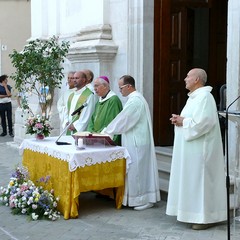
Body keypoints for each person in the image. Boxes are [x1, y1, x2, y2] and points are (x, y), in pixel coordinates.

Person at [166, 68, 227, 230]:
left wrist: (183, 121)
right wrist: (179, 120)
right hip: (191, 150)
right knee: (192, 183)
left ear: (197, 79)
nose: (185, 79)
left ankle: (205, 218)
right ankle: (193, 214)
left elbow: (205, 122)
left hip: (201, 151)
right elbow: (192, 119)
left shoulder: (205, 97)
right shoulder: (194, 97)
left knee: (201, 184)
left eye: (188, 76)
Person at [102, 75, 160, 210]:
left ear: (129, 86)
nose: (120, 90)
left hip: (137, 142)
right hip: (135, 140)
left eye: (121, 87)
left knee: (137, 172)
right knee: (136, 171)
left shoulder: (135, 101)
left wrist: (107, 131)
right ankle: (138, 198)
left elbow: (124, 120)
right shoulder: (134, 99)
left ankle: (142, 200)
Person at [87, 76, 122, 145]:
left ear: (105, 86)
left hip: (105, 139)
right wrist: (91, 132)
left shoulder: (113, 100)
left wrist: (98, 135)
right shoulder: (99, 101)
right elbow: (92, 119)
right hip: (96, 138)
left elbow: (112, 122)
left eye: (96, 86)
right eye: (94, 86)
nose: (94, 89)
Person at [62, 71, 96, 135]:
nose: (74, 80)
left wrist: (75, 125)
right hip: (69, 128)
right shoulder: (71, 95)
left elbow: (88, 113)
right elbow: (66, 110)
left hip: (80, 131)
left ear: (83, 80)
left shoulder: (89, 95)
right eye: (73, 78)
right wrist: (66, 122)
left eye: (77, 78)